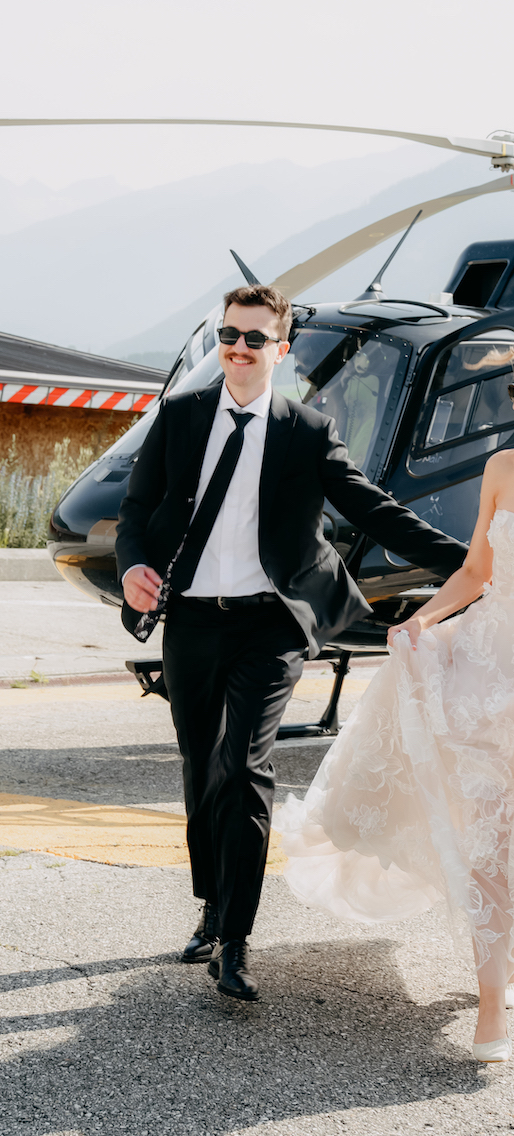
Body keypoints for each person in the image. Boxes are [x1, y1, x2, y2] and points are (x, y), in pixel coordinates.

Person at [275, 339, 514, 1062]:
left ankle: (512, 944)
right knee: (487, 834)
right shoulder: (501, 469)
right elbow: (477, 571)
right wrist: (424, 619)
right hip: (482, 662)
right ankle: (492, 1006)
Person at [116, 284, 468, 1002]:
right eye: (227, 337)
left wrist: (471, 562)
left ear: (282, 349)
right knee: (201, 767)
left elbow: (373, 506)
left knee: (244, 765)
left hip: (269, 623)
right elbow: (135, 506)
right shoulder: (182, 416)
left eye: (253, 339)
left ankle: (237, 943)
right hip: (192, 619)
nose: (237, 350)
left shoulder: (306, 431)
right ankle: (212, 904)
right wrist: (130, 568)